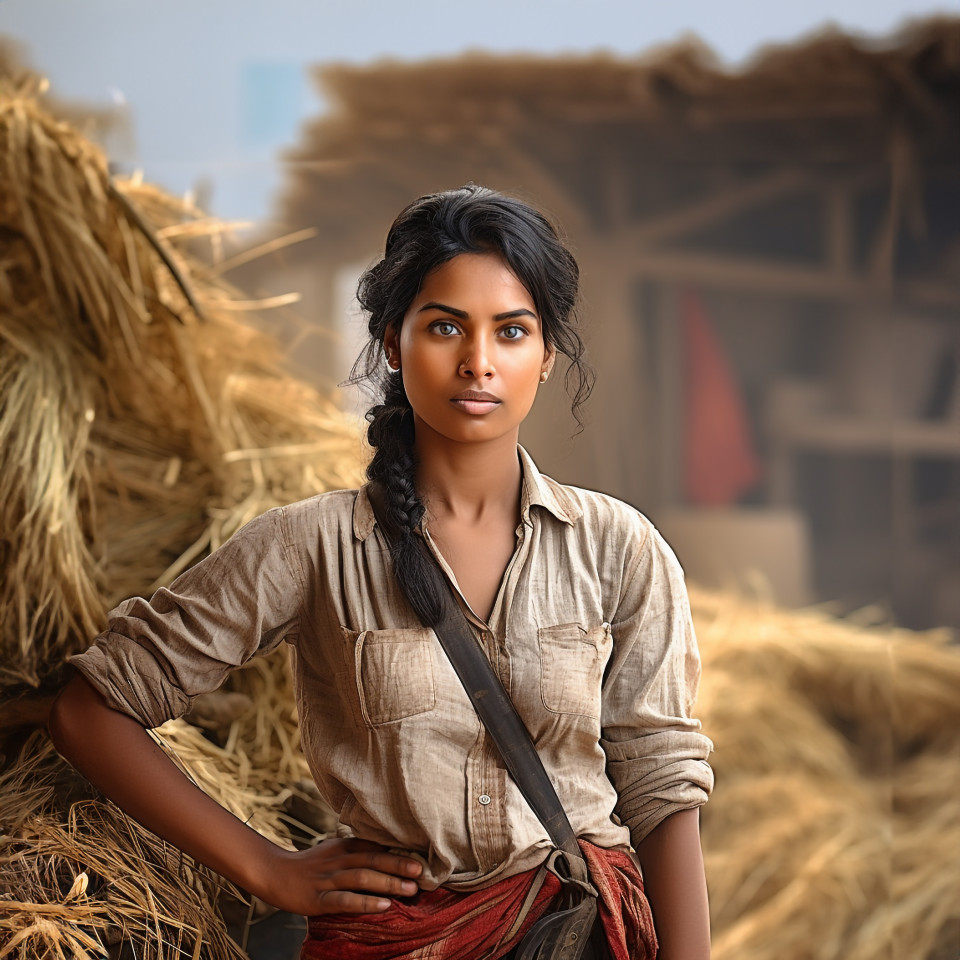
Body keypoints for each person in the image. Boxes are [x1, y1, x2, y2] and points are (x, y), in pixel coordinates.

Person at [50, 185, 714, 960]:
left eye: (511, 332)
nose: (478, 362)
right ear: (393, 346)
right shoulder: (313, 545)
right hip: (389, 943)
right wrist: (267, 869)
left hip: (580, 937)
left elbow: (661, 789)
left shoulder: (618, 547)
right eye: (444, 328)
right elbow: (88, 712)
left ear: (546, 357)